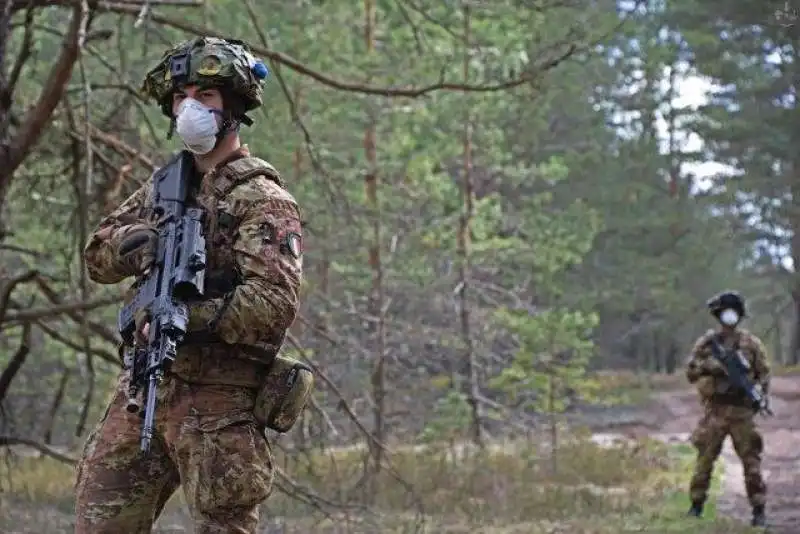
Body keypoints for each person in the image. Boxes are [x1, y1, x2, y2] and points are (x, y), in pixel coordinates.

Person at [74, 37, 304, 533]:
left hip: (219, 404)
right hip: (145, 388)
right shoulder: (163, 189)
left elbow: (272, 305)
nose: (189, 109)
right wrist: (133, 243)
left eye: (206, 96)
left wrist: (181, 316)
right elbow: (96, 255)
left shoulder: (262, 199)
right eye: (181, 97)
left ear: (234, 107)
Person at [685, 290, 770, 528]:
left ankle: (759, 509)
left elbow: (763, 374)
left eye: (733, 313)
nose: (729, 317)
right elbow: (690, 372)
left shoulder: (751, 344)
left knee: (751, 463)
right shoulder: (707, 344)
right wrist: (709, 367)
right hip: (716, 412)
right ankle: (696, 506)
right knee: (704, 462)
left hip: (742, 413)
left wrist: (761, 395)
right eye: (725, 313)